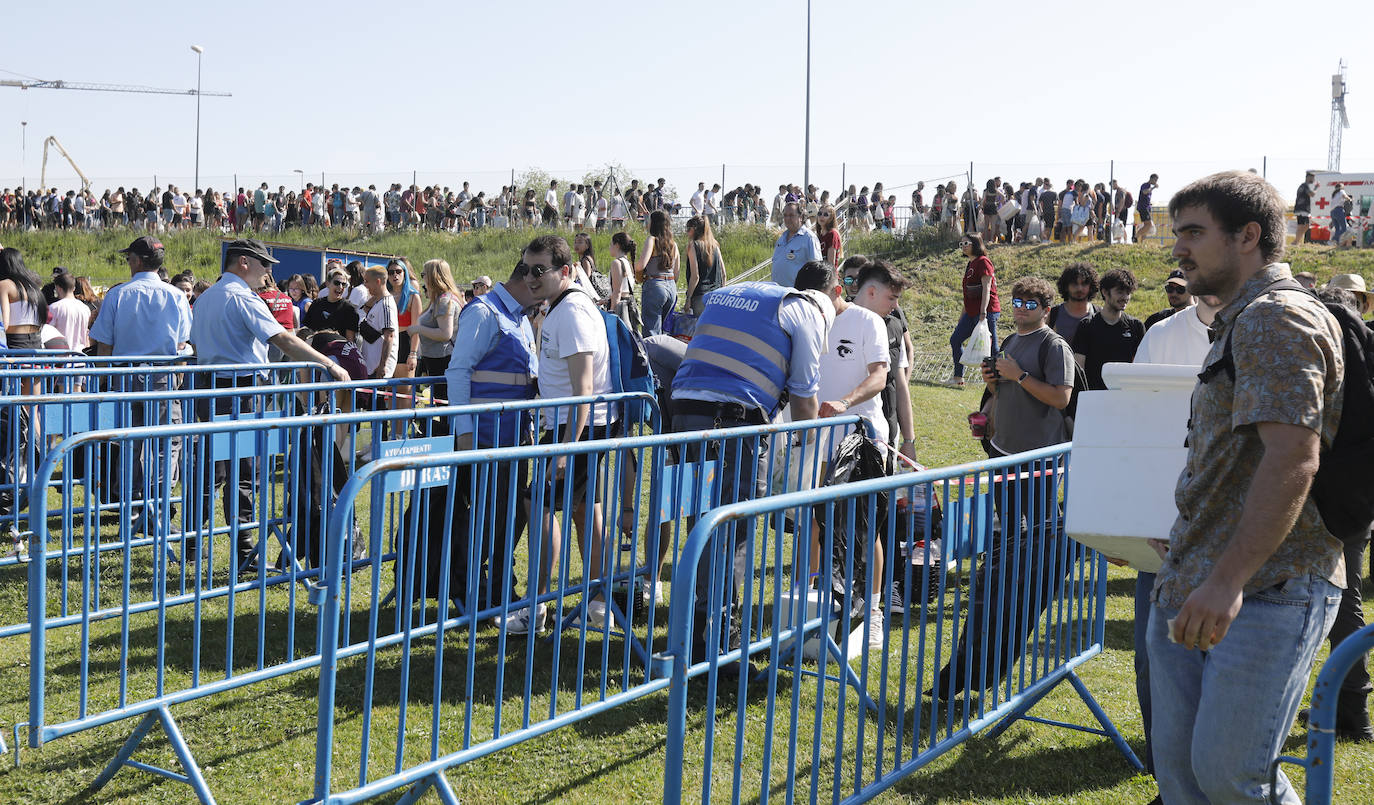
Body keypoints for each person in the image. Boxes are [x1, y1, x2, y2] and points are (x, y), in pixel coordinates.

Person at [1148, 171, 1345, 805]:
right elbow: (1230, 456)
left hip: (1265, 586)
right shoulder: (1239, 321)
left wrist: (1227, 580)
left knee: (1231, 777)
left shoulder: (1276, 319)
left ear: (1249, 237)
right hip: (1193, 575)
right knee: (1182, 777)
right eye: (1178, 233)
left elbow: (1293, 458)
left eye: (1195, 233)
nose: (1179, 248)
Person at [671, 260, 835, 667]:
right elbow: (804, 395)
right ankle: (719, 645)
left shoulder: (742, 293)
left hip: (684, 412)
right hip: (733, 422)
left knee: (701, 522)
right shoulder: (806, 313)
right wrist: (807, 445)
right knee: (732, 529)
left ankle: (691, 628)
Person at [934, 275, 1075, 700]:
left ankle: (1023, 594)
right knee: (1012, 533)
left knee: (1038, 536)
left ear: (1046, 309)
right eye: (1016, 301)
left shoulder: (1053, 346)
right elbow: (1003, 389)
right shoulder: (1011, 339)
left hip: (1039, 462)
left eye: (1030, 303)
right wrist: (994, 384)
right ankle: (1008, 586)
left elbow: (1061, 398)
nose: (1020, 308)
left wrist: (1018, 374)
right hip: (1004, 452)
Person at [189, 239, 350, 571]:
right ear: (244, 262)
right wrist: (329, 364)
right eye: (264, 264)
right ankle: (244, 548)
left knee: (210, 467)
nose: (269, 272)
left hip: (210, 386)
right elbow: (283, 339)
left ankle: (195, 541)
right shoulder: (242, 298)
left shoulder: (206, 298)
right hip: (240, 389)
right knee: (244, 471)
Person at [1129, 289, 1224, 793]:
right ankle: (1165, 766)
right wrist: (1134, 517)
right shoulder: (1162, 335)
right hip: (1164, 534)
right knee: (1155, 658)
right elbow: (1139, 427)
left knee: (1221, 662)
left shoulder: (1263, 329)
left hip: (1235, 539)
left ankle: (1208, 767)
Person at [516, 234, 617, 634]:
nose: (531, 277)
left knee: (537, 505)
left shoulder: (572, 311)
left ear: (566, 271)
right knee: (584, 511)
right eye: (527, 269)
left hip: (574, 428)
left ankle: (537, 607)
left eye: (540, 270)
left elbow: (584, 390)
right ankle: (596, 604)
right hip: (578, 426)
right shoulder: (561, 307)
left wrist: (564, 450)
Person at [443, 258, 541, 627]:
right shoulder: (483, 312)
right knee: (487, 518)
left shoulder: (518, 317)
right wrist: (465, 434)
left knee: (507, 517)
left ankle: (498, 591)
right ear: (528, 281)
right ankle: (471, 596)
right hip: (485, 438)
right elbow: (458, 372)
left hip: (513, 437)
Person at [811, 259, 890, 648]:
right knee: (817, 519)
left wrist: (845, 402)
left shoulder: (867, 321)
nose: (815, 308)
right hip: (816, 434)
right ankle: (811, 605)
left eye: (820, 300)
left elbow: (880, 375)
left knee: (864, 525)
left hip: (862, 434)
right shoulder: (808, 317)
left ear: (838, 292)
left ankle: (872, 611)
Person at [843, 257, 916, 462]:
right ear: (871, 292)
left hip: (885, 437)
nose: (896, 306)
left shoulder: (894, 326)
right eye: (891, 298)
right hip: (841, 440)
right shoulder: (836, 321)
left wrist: (909, 440)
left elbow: (900, 386)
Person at [1072, 268, 1143, 390]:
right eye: (1120, 292)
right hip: (1094, 397)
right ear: (1105, 292)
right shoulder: (1087, 326)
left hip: (1125, 396)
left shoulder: (1136, 326)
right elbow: (1079, 369)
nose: (1125, 297)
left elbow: (1141, 367)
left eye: (1128, 293)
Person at [944, 233, 1000, 387]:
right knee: (955, 339)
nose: (963, 247)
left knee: (993, 346)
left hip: (986, 311)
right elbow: (968, 293)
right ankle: (958, 378)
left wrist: (983, 313)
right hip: (971, 312)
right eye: (960, 244)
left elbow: (986, 288)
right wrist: (963, 315)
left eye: (966, 243)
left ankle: (999, 379)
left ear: (976, 243)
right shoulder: (970, 263)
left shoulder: (983, 262)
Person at [409, 258, 463, 406]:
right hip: (436, 361)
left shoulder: (444, 301)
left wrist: (417, 329)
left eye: (423, 274)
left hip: (443, 361)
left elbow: (445, 334)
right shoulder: (440, 299)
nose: (423, 279)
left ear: (433, 276)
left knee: (444, 406)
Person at [634, 209, 680, 337]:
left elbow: (640, 266)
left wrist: (630, 264)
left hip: (655, 285)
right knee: (665, 332)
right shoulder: (673, 244)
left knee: (651, 331)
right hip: (671, 286)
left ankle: (652, 357)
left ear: (654, 223)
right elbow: (676, 273)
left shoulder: (652, 240)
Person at [387, 259, 422, 413]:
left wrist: (413, 353)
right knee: (388, 393)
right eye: (391, 272)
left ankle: (400, 432)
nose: (395, 275)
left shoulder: (413, 296)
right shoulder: (385, 296)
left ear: (405, 273)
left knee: (404, 392)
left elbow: (416, 329)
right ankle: (390, 432)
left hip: (405, 342)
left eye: (398, 271)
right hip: (388, 343)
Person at [0, 248, 48, 351]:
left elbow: (4, 323)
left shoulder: (5, 285)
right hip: (37, 345)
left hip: (15, 344)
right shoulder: (33, 287)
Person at [357, 265, 398, 383]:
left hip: (378, 370)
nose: (365, 285)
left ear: (378, 281)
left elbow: (389, 336)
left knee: (376, 401)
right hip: (371, 367)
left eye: (367, 281)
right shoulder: (377, 302)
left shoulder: (386, 305)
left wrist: (382, 365)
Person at [770, 202, 822, 287]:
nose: (787, 218)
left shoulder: (809, 238)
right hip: (778, 292)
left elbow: (816, 269)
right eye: (785, 215)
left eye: (791, 215)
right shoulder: (781, 238)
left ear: (800, 217)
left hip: (797, 294)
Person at [302, 268, 360, 343]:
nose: (340, 287)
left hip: (336, 351)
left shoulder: (349, 309)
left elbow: (350, 341)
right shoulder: (316, 304)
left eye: (344, 284)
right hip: (314, 349)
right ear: (327, 284)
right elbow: (307, 329)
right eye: (337, 283)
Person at [684, 215, 725, 317]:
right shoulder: (715, 245)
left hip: (700, 297)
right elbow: (723, 274)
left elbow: (695, 276)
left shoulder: (693, 245)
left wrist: (688, 299)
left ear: (694, 229)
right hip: (717, 296)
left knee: (699, 330)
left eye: (688, 229)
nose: (687, 232)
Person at [1047, 262, 1098, 345]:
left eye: (1084, 284)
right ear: (1066, 286)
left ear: (1091, 286)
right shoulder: (1052, 315)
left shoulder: (1099, 314)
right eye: (1075, 284)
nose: (1079, 288)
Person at [47, 271, 90, 353]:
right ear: (74, 288)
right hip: (81, 356)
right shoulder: (85, 308)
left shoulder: (54, 308)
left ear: (58, 288)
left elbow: (47, 332)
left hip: (60, 357)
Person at [606, 231, 641, 333]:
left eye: (611, 244)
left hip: (620, 306)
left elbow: (617, 291)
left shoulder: (616, 263)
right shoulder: (628, 263)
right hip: (628, 303)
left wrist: (612, 311)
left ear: (617, 245)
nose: (609, 247)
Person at [1293, 171, 1317, 246]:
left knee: (1305, 225)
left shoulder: (1303, 186)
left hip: (1303, 209)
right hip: (1302, 209)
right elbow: (1311, 194)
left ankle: (1296, 241)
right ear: (1308, 177)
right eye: (1312, 178)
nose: (1313, 180)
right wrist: (1316, 187)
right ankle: (1296, 241)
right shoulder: (1304, 186)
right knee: (1302, 225)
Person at [1135, 173, 1158, 242]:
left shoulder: (1149, 186)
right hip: (1143, 207)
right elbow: (1144, 192)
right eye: (1155, 180)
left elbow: (1146, 196)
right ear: (1152, 178)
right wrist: (1153, 188)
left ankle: (1142, 242)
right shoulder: (1145, 185)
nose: (1156, 182)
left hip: (1146, 207)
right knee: (1149, 224)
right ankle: (1135, 237)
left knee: (1146, 226)